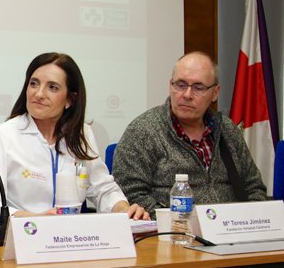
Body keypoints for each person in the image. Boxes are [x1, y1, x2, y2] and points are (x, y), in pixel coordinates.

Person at [0, 53, 150, 226]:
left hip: (71, 240)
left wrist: (125, 210)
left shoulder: (81, 134)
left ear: (70, 99)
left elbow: (103, 188)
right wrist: (34, 220)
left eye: (52, 87)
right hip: (23, 236)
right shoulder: (1, 135)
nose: (39, 93)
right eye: (34, 83)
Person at [112, 52, 268, 219]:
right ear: (170, 86)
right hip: (172, 234)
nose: (187, 95)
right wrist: (183, 223)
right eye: (180, 85)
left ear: (215, 93)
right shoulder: (143, 131)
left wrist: (251, 221)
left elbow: (254, 188)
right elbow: (130, 196)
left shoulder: (227, 130)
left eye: (198, 88)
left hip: (232, 230)